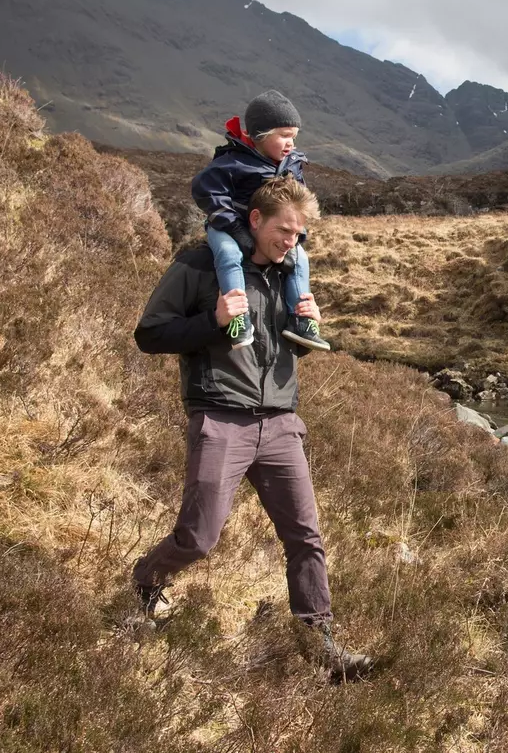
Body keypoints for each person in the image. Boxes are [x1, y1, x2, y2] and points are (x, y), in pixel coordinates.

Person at [130, 175, 371, 679]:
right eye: (284, 230)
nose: (291, 242)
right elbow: (149, 334)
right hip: (221, 417)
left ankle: (319, 643)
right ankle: (147, 580)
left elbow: (283, 345)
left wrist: (309, 327)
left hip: (281, 422)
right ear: (256, 220)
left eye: (299, 235)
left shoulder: (288, 275)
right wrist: (213, 321)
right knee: (198, 538)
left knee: (305, 535)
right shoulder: (200, 264)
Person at [191, 89, 329, 352]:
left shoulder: (292, 164)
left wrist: (297, 234)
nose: (291, 144)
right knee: (230, 254)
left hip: (268, 232)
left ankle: (301, 320)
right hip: (227, 228)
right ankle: (237, 318)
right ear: (260, 135)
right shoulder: (233, 162)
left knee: (301, 259)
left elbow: (297, 202)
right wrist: (233, 225)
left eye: (294, 137)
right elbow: (204, 188)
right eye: (284, 136)